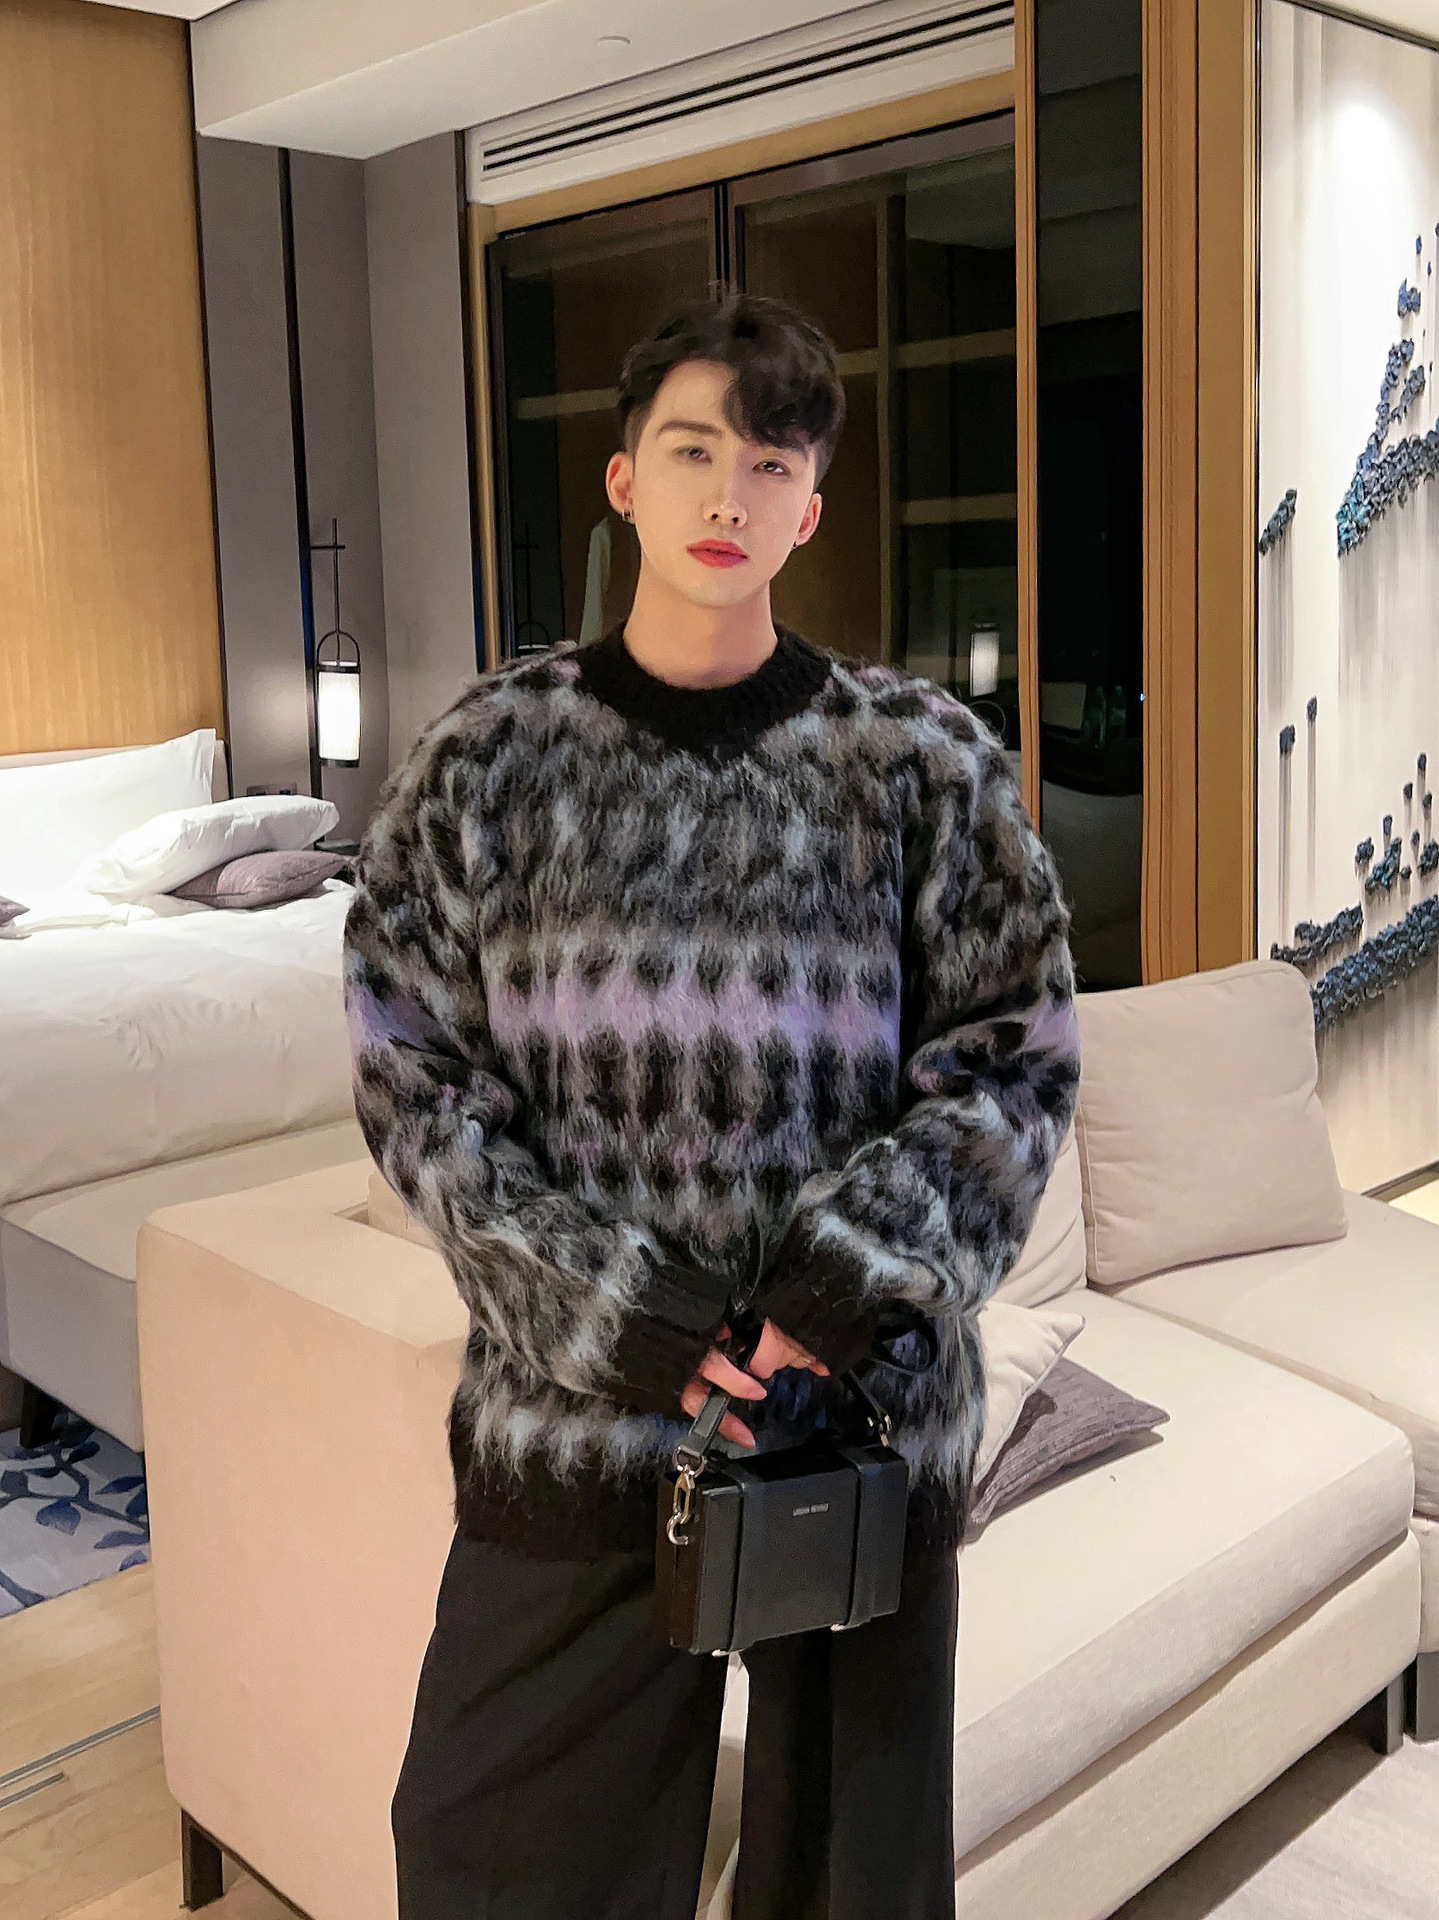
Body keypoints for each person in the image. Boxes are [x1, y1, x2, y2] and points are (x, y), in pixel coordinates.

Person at [342, 291, 1080, 1920]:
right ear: (624, 483)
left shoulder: (921, 760)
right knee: (489, 1848)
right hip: (576, 1427)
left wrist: (837, 1289)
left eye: (770, 463)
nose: (727, 494)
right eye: (692, 451)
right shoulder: (487, 760)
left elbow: (1014, 1055)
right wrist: (629, 1311)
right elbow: (414, 1075)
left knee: (848, 1881)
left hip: (856, 1425)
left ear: (809, 508)